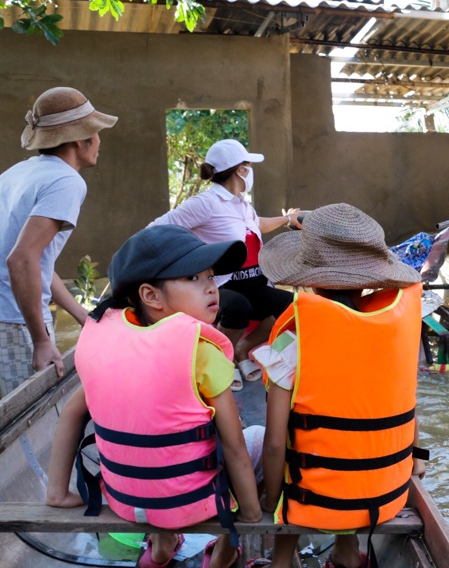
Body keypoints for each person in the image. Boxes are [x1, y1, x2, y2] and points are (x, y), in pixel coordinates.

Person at [44, 225, 263, 568]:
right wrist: (250, 513)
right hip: (189, 502)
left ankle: (161, 547)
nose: (210, 286)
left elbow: (72, 413)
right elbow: (234, 446)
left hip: (126, 499)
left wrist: (57, 493)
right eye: (193, 277)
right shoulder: (201, 351)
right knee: (259, 439)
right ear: (151, 296)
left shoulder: (106, 344)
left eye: (210, 276)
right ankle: (223, 553)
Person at [250, 204, 426, 568]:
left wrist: (271, 501)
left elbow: (273, 442)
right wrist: (416, 461)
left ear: (306, 276)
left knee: (273, 447)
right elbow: (407, 407)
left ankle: (282, 559)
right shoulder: (396, 331)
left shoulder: (293, 343)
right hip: (383, 492)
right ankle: (347, 553)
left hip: (316, 495)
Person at [150, 138, 300, 391]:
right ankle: (223, 362)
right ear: (240, 170)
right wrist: (185, 267)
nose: (250, 171)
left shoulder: (241, 203)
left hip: (255, 281)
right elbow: (156, 229)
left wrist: (287, 219)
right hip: (223, 284)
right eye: (248, 165)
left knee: (291, 308)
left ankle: (242, 349)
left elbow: (256, 224)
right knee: (238, 308)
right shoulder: (205, 203)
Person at [0, 86, 117, 396]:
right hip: (14, 321)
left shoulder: (18, 173)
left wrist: (81, 315)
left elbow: (35, 260)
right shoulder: (66, 181)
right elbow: (20, 259)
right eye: (97, 131)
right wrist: (41, 340)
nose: (100, 140)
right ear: (81, 138)